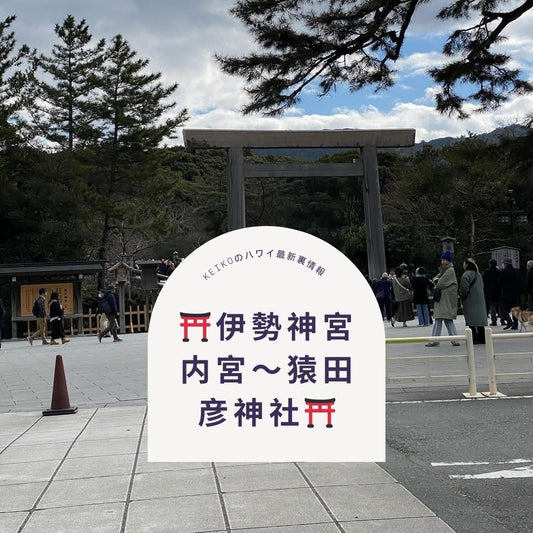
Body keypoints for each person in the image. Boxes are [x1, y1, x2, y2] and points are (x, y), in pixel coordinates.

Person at [426, 251, 460, 347]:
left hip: (444, 299)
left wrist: (435, 282)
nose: (442, 261)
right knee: (447, 319)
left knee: (439, 319)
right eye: (442, 259)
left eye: (444, 259)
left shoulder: (449, 271)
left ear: (448, 260)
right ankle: (455, 339)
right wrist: (435, 281)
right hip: (444, 299)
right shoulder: (446, 270)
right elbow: (436, 280)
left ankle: (435, 340)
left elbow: (440, 283)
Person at [459, 258, 487, 344]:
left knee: (471, 319)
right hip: (480, 300)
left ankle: (474, 338)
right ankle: (482, 338)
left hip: (470, 300)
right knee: (479, 320)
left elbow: (465, 289)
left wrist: (462, 296)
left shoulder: (465, 275)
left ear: (467, 265)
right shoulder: (478, 274)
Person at [499, 257, 521, 330]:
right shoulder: (516, 272)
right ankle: (515, 324)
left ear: (505, 264)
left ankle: (509, 321)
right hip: (515, 293)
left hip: (506, 293)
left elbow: (500, 282)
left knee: (502, 308)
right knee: (515, 309)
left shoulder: (503, 272)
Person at [482, 259, 501, 326]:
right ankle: (503, 320)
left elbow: (484, 282)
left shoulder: (487, 272)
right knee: (500, 306)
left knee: (492, 306)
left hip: (490, 291)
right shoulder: (499, 272)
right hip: (498, 291)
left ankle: (494, 321)